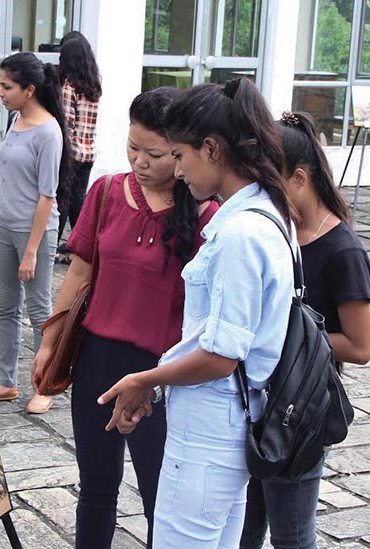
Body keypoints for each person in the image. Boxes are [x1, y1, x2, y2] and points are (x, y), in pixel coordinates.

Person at [99, 78, 295, 547]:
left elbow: (221, 355)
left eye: (180, 156)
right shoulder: (266, 215)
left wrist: (147, 379)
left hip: (212, 429)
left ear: (211, 149)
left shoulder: (240, 234)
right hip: (229, 421)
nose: (179, 171)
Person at [29, 87, 217, 547]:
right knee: (95, 487)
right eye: (132, 147)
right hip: (98, 358)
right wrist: (50, 342)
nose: (139, 161)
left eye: (154, 153)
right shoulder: (107, 192)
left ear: (181, 152)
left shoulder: (207, 214)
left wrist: (159, 380)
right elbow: (80, 272)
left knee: (160, 495)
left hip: (163, 371)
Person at [239, 111, 370, 549]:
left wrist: (286, 337)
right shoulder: (276, 233)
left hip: (303, 408)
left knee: (292, 537)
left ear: (298, 178)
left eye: (270, 184)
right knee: (243, 527)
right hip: (258, 397)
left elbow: (360, 345)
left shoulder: (343, 250)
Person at [0, 52, 71, 414]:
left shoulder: (49, 132)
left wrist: (33, 249)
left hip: (33, 232)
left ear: (29, 89)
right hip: (3, 224)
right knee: (6, 306)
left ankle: (44, 383)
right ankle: (6, 381)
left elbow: (47, 196)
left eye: (6, 87)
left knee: (39, 311)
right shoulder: (16, 119)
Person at [55, 33, 101, 264]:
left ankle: (56, 245)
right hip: (89, 151)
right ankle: (81, 245)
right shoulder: (94, 86)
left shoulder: (68, 87)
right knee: (78, 200)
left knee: (63, 199)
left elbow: (67, 124)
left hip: (72, 153)